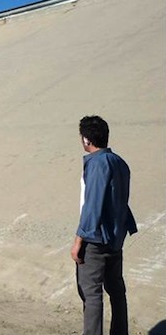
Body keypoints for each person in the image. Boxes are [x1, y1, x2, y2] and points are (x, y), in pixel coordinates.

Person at [70, 115, 138, 335]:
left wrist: (79, 240)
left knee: (91, 294)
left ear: (87, 139)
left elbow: (93, 205)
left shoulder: (98, 164)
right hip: (115, 239)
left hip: (95, 240)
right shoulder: (120, 162)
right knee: (117, 291)